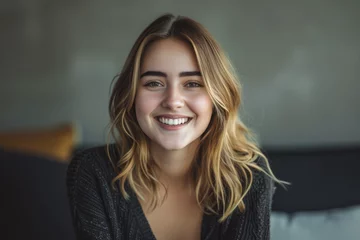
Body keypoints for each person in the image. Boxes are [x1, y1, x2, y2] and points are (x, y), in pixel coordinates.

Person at [67, 13, 281, 240]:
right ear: (131, 95)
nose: (172, 101)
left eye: (192, 84)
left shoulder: (248, 178)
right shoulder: (92, 172)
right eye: (154, 83)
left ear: (216, 97)